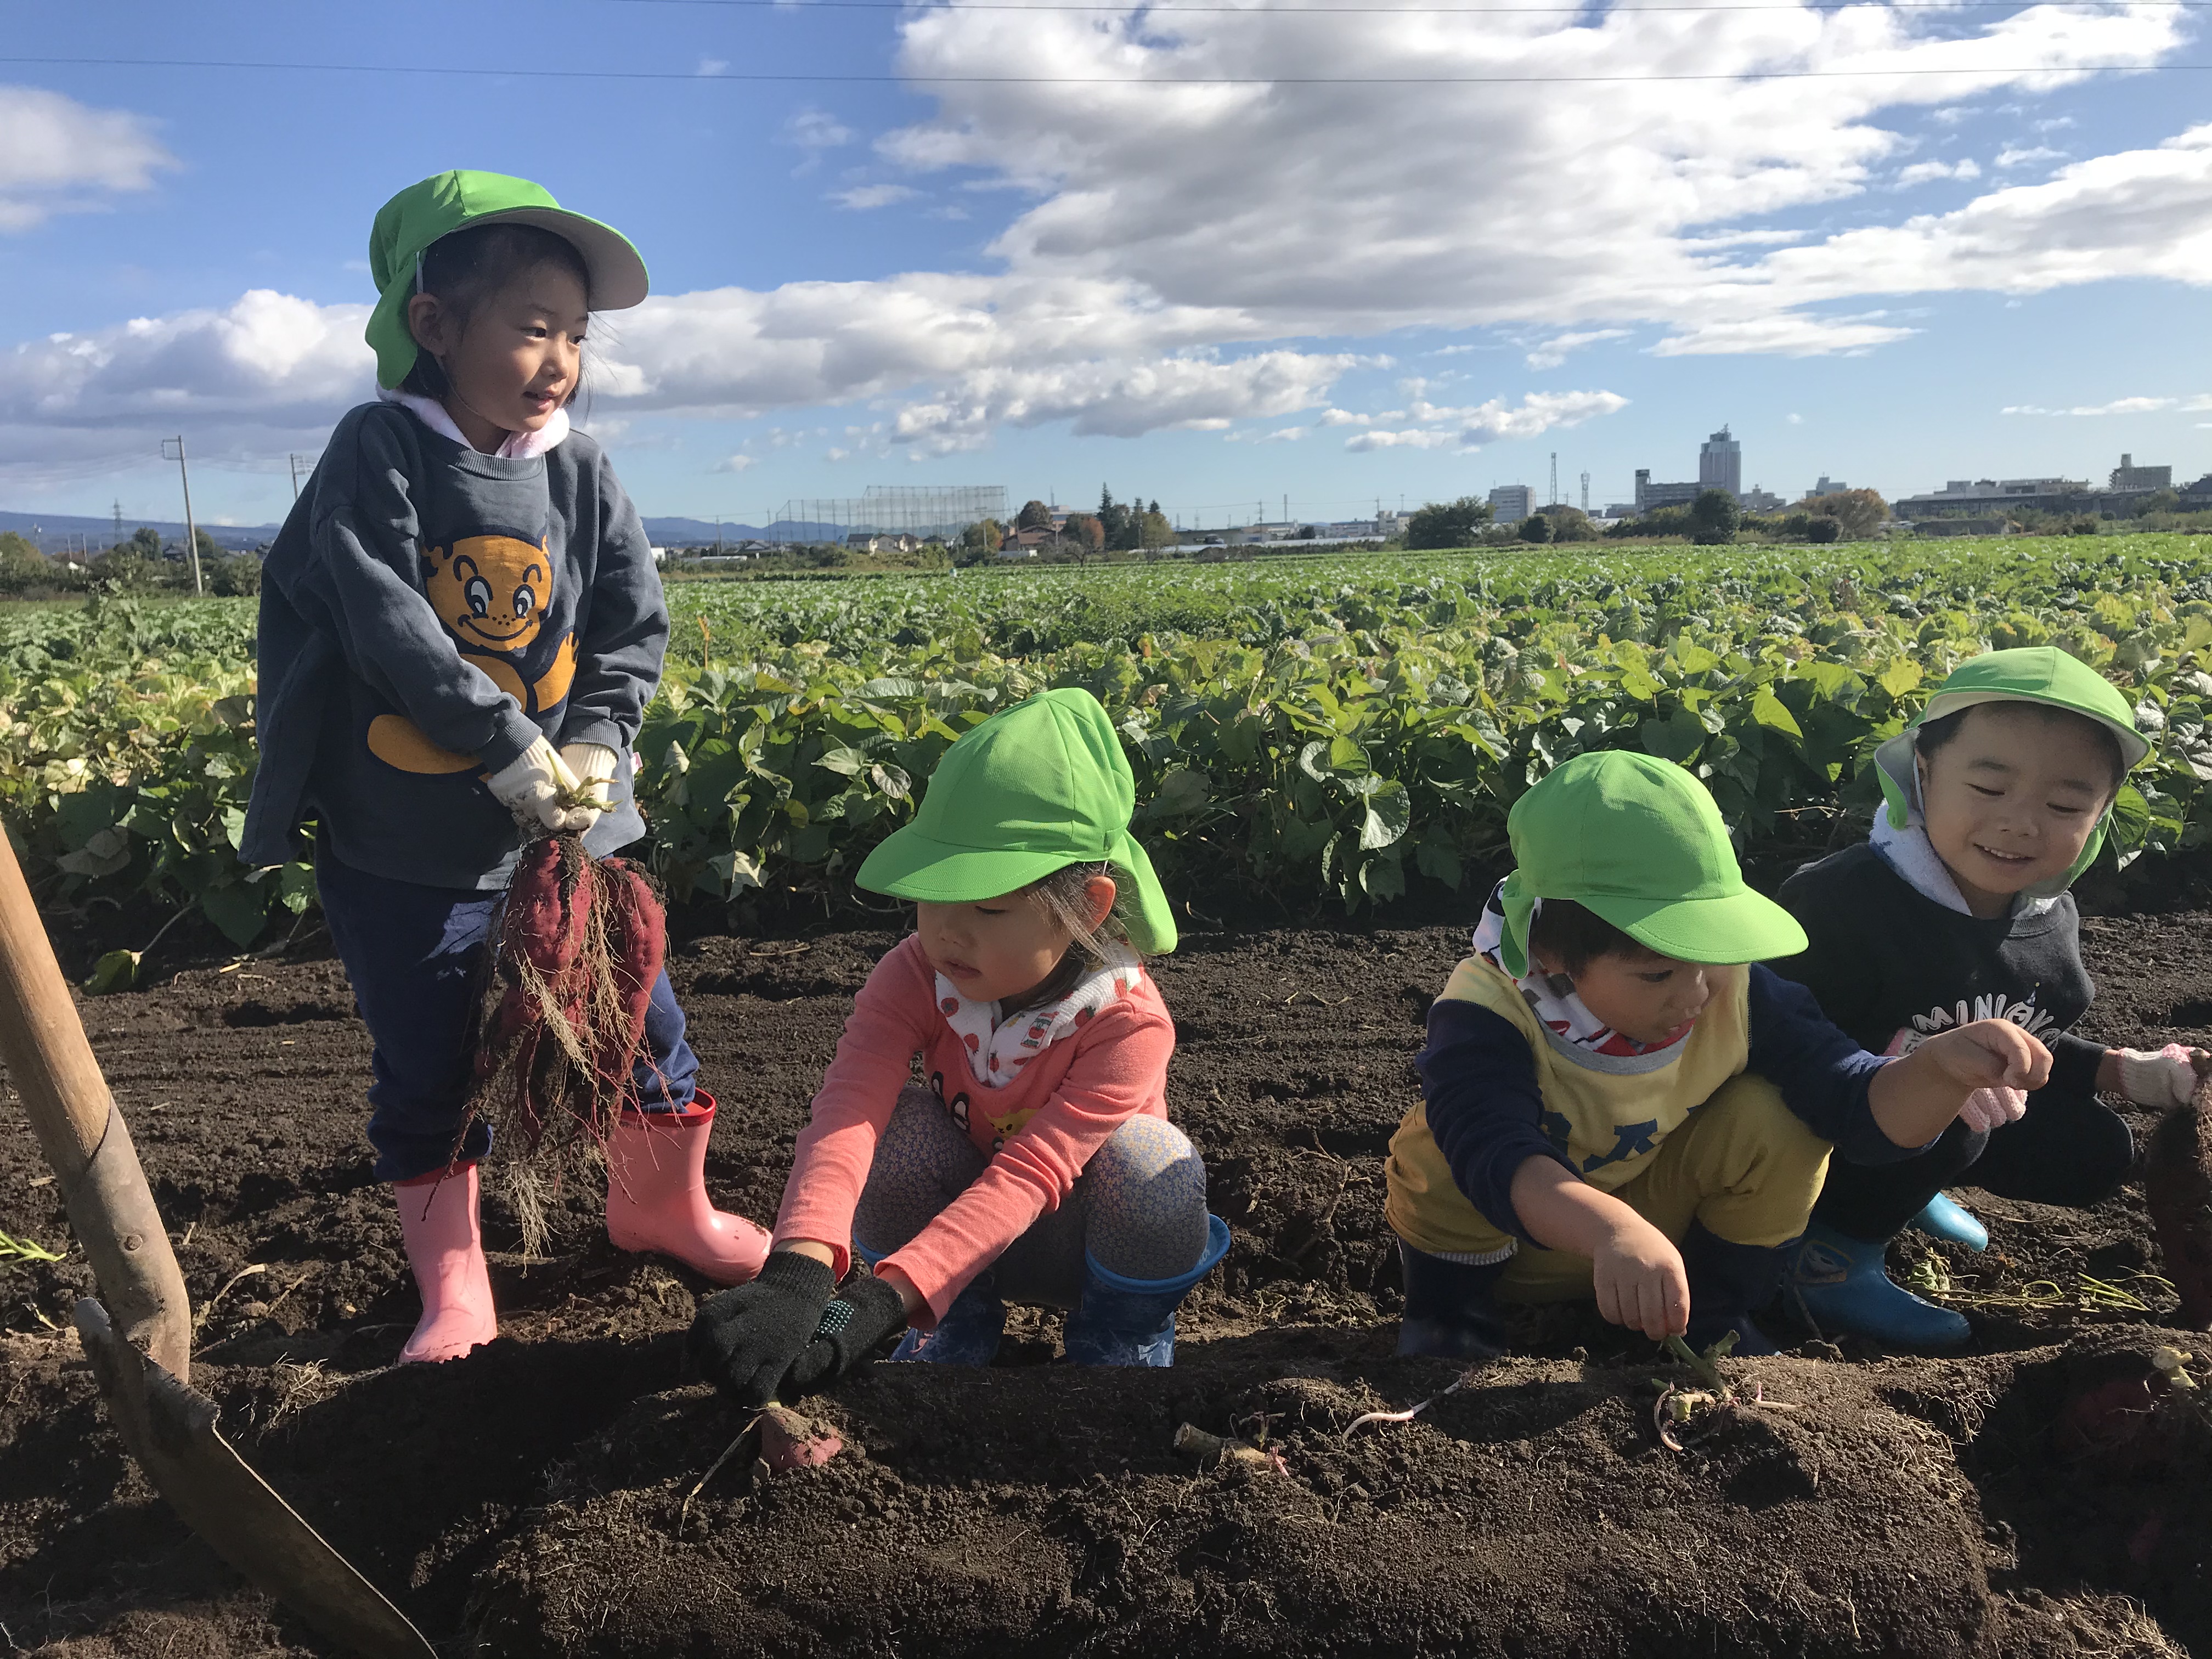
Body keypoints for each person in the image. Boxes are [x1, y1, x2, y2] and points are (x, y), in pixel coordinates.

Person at [242, 171, 769, 1365]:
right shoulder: (380, 450)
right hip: (405, 847)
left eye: (576, 335)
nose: (561, 360)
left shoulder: (578, 469)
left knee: (640, 1020)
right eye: (533, 329)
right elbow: (384, 620)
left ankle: (661, 1210)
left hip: (568, 835)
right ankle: (458, 1281)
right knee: (429, 1058)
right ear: (435, 326)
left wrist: (595, 740)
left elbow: (635, 625)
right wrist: (501, 741)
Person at [1384, 749, 2053, 1359]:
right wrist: (1610, 1232)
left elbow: (1852, 1104)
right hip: (1509, 1244)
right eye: (1658, 975)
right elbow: (1497, 1155)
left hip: (1649, 1249)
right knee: (1446, 1149)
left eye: (1707, 958)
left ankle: (1713, 1319)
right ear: (1557, 955)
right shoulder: (1490, 1013)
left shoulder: (1733, 988)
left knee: (1781, 1117)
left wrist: (1939, 1069)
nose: (1696, 994)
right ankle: (1450, 1323)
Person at [687, 688, 1230, 1407]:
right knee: (893, 1129)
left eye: (988, 907)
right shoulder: (917, 972)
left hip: (1085, 1243)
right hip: (957, 1237)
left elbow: (1033, 1174)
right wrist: (800, 1273)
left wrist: (877, 1304)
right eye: (933, 895)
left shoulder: (1126, 1024)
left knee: (1152, 1162)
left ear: (1089, 908)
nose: (946, 933)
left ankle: (1120, 1338)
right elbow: (849, 1104)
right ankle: (956, 1324)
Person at [1776, 646, 2205, 1349]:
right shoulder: (1841, 903)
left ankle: (1906, 1194)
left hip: (1927, 1117)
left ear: (2099, 815)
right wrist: (1909, 1077)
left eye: (2065, 804)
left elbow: (2020, 1034)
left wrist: (2127, 1072)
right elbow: (1768, 1041)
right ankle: (1827, 1255)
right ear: (1923, 773)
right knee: (1954, 1113)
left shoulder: (2046, 920)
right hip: (1809, 1128)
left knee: (2094, 1148)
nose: (2022, 823)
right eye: (1988, 788)